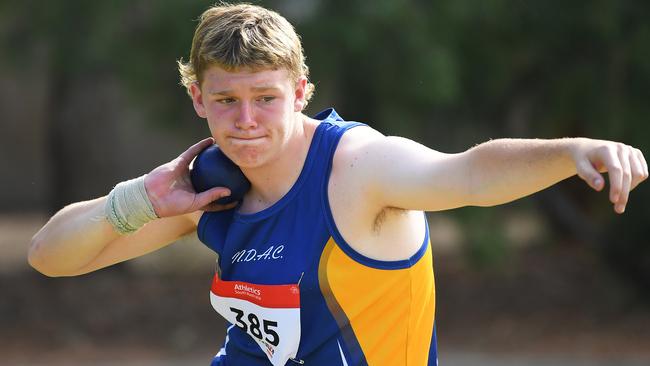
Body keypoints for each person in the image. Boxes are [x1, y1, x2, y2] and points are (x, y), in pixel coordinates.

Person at [29, 3, 648, 366]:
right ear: (197, 99)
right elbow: (50, 258)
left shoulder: (359, 168)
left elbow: (468, 174)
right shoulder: (206, 185)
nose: (245, 122)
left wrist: (572, 151)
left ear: (301, 92)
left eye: (265, 99)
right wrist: (139, 202)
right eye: (226, 100)